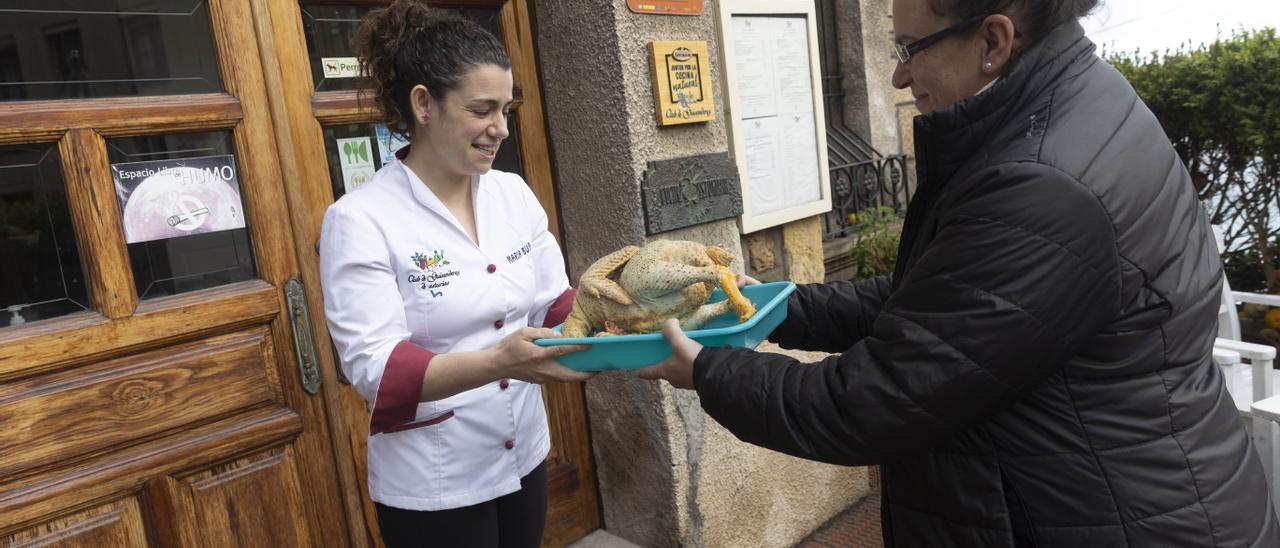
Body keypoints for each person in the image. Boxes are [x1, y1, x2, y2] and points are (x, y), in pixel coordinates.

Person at [638, 0, 1280, 545]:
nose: (894, 76)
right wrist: (774, 304)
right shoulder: (1072, 101)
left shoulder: (1042, 184)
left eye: (909, 47)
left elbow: (872, 400)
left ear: (994, 41)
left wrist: (704, 369)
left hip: (1111, 516)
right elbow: (939, 304)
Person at [319, 3, 590, 547]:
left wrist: (637, 308)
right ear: (424, 104)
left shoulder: (512, 193)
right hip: (435, 478)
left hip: (525, 448)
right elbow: (377, 368)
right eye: (482, 110)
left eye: (506, 110)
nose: (501, 129)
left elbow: (555, 305)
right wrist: (498, 362)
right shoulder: (361, 218)